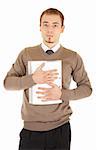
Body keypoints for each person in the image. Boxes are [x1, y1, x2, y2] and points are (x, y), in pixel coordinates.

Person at [4, 8, 92, 150]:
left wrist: (62, 94)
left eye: (55, 25)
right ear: (40, 27)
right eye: (45, 24)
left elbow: (86, 89)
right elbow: (8, 83)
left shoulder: (72, 57)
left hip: (60, 129)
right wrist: (32, 78)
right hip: (30, 131)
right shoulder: (26, 53)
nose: (49, 30)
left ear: (62, 29)